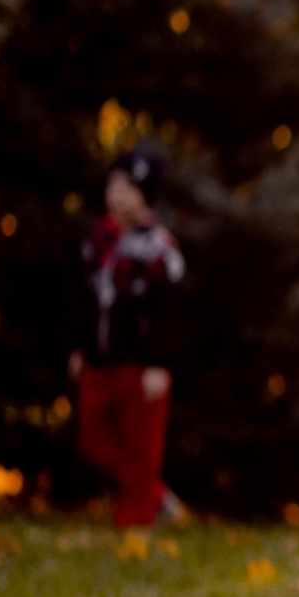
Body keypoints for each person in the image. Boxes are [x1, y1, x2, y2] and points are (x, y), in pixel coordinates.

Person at [74, 145, 186, 527]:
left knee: (141, 445)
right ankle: (155, 496)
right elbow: (85, 299)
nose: (118, 195)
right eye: (114, 186)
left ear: (145, 196)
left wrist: (159, 363)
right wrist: (80, 347)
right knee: (93, 441)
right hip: (98, 358)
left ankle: (136, 520)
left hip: (140, 364)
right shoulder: (98, 238)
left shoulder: (159, 247)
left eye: (128, 189)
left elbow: (167, 310)